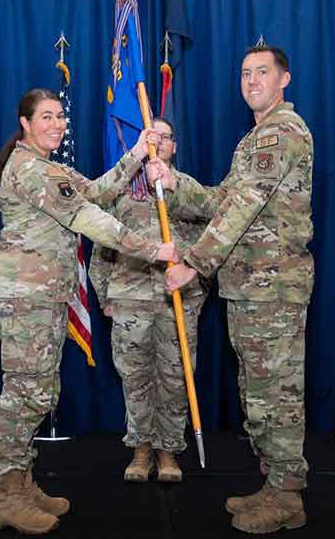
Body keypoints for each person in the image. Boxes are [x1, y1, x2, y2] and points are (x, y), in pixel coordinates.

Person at [0, 88, 178, 534]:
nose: (56, 123)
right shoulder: (30, 169)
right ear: (25, 123)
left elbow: (96, 192)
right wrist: (154, 249)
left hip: (42, 294)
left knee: (39, 391)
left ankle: (24, 481)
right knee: (23, 395)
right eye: (45, 116)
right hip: (23, 295)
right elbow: (91, 219)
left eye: (60, 116)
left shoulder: (49, 167)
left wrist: (135, 152)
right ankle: (7, 495)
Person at [161, 46, 314, 534]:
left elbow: (245, 204)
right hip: (249, 288)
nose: (251, 80)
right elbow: (219, 199)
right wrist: (172, 179)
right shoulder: (253, 140)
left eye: (262, 72)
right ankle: (273, 486)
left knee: (277, 395)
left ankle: (288, 496)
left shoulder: (283, 133)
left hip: (274, 288)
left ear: (284, 79)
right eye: (245, 73)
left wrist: (194, 263)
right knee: (257, 393)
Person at [88, 118, 210, 484]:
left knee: (174, 378)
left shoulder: (189, 192)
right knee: (135, 379)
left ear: (174, 146)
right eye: (151, 137)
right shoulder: (122, 191)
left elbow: (212, 243)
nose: (159, 142)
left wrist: (198, 285)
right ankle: (141, 448)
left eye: (165, 137)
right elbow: (102, 246)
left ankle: (168, 450)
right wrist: (104, 293)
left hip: (178, 300)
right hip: (130, 299)